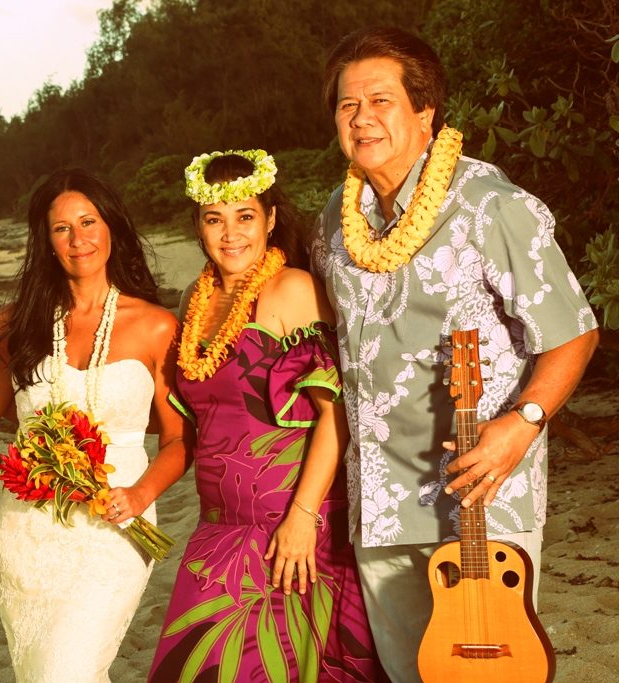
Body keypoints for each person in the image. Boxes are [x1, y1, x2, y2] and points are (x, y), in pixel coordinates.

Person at [312, 27, 600, 682]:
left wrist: (522, 424)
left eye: (381, 100)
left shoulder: (491, 206)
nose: (362, 118)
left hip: (479, 495)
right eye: (347, 104)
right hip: (378, 500)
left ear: (425, 111)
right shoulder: (334, 218)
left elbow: (573, 331)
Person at [148, 151, 383, 682]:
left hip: (290, 529)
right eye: (215, 219)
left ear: (271, 219)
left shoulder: (291, 289)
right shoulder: (194, 299)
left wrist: (302, 518)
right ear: (198, 227)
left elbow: (336, 414)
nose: (230, 234)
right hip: (217, 529)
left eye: (245, 216)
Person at [0, 168, 193, 681]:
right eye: (61, 228)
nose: (78, 240)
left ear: (111, 228)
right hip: (22, 531)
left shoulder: (156, 326)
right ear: (46, 240)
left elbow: (180, 439)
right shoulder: (14, 323)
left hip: (113, 529)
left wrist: (140, 496)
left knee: (63, 670)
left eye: (88, 222)